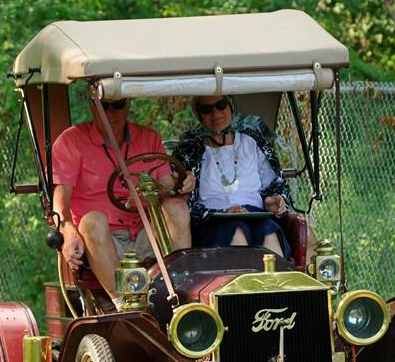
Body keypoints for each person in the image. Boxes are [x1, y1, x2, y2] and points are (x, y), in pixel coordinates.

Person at [52, 94, 194, 311]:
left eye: (118, 105)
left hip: (146, 230)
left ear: (128, 105)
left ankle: (182, 296)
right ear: (92, 106)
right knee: (92, 220)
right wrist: (66, 229)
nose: (111, 112)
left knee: (177, 208)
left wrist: (183, 184)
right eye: (104, 106)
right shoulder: (72, 140)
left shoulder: (148, 137)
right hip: (102, 239)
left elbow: (167, 189)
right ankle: (127, 306)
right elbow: (61, 197)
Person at [172, 94, 292, 257]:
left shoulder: (253, 140)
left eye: (221, 105)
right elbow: (182, 200)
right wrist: (224, 211)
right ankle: (239, 280)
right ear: (199, 115)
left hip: (256, 215)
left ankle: (276, 281)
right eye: (206, 110)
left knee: (268, 231)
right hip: (212, 221)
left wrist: (273, 203)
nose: (215, 114)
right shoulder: (189, 148)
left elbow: (276, 187)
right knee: (235, 230)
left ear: (231, 105)